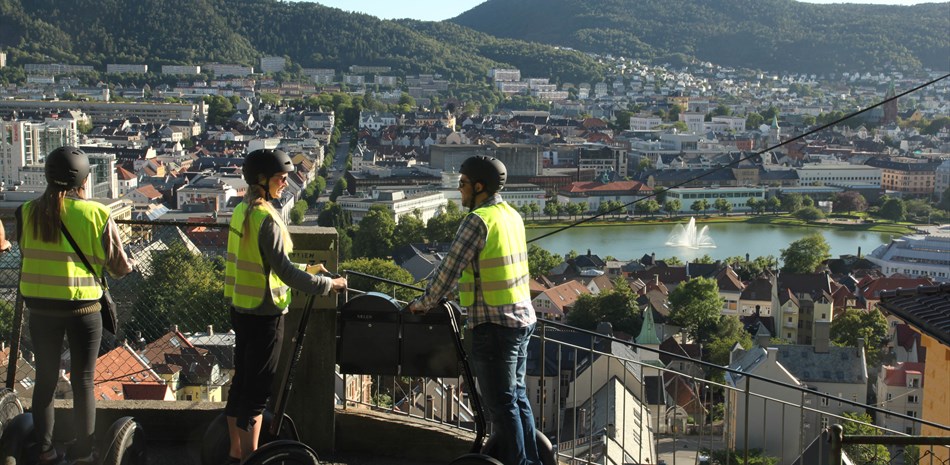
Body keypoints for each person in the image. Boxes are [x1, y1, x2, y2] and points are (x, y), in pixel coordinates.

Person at [409, 155, 541, 465]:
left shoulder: (477, 220)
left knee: (501, 405)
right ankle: (532, 461)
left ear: (479, 187)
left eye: (463, 183)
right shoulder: (511, 215)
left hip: (494, 323)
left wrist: (422, 304)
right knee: (517, 398)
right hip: (522, 320)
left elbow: (448, 271)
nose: (459, 189)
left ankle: (519, 463)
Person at [224, 148, 346, 463]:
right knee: (258, 391)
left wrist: (308, 270)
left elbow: (264, 264)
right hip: (266, 314)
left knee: (241, 383)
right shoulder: (267, 218)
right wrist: (328, 285)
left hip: (241, 308)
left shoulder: (242, 210)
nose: (285, 184)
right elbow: (285, 272)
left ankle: (235, 452)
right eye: (280, 178)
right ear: (262, 180)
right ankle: (251, 458)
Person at [17, 146, 134, 465]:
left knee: (44, 380)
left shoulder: (26, 211)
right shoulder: (96, 213)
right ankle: (83, 453)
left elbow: (26, 251)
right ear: (83, 180)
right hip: (82, 308)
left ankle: (45, 451)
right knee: (83, 380)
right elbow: (119, 267)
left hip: (40, 308)